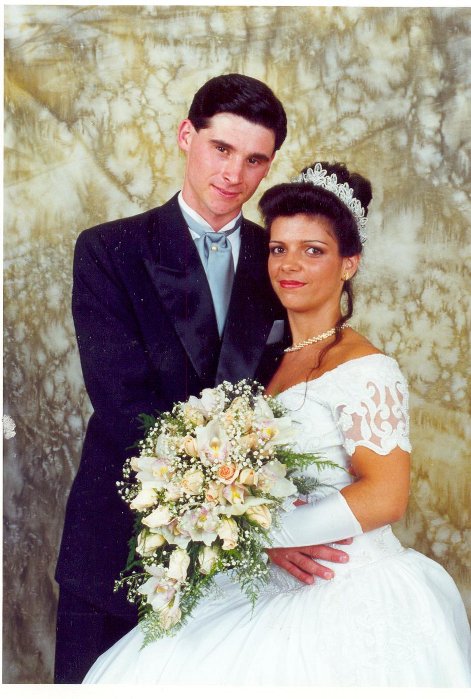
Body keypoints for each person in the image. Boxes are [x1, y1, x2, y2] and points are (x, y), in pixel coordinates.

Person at [83, 161, 471, 686]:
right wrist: (252, 537)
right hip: (271, 578)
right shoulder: (272, 359)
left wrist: (264, 534)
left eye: (313, 251)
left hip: (344, 585)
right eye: (278, 248)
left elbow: (386, 495)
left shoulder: (366, 367)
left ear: (349, 264)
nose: (290, 265)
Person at [54, 76, 351, 684]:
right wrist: (251, 528)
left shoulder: (282, 258)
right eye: (221, 148)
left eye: (255, 160)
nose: (234, 174)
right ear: (186, 136)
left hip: (246, 571)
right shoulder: (110, 250)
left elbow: (300, 391)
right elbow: (124, 406)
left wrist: (262, 531)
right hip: (120, 543)